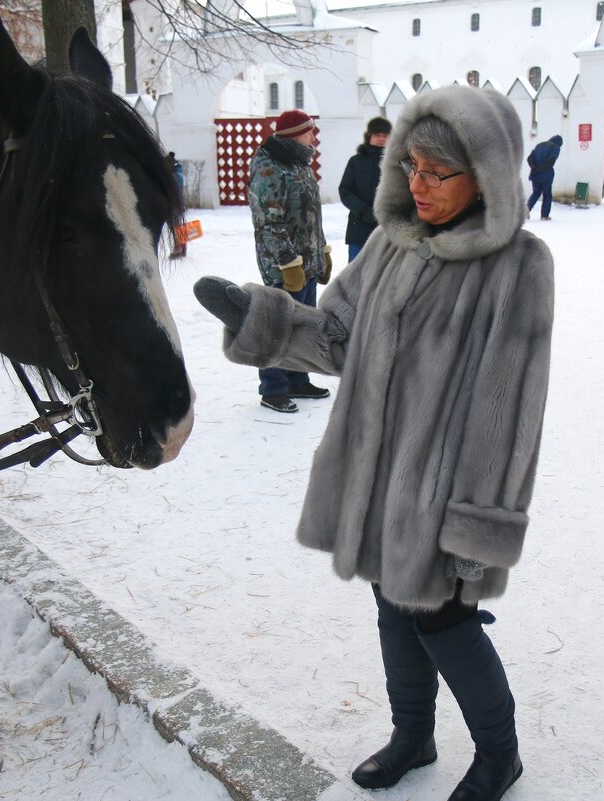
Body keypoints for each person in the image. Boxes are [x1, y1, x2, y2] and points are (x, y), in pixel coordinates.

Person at [194, 85, 554, 801]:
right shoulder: (392, 243)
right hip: (376, 476)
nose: (414, 183)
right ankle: (412, 735)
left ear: (482, 174)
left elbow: (507, 411)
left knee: (445, 622)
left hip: (445, 490)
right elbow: (334, 339)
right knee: (393, 610)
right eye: (409, 165)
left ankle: (498, 754)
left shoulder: (516, 266)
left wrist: (472, 529)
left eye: (434, 172)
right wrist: (262, 318)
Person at [246, 108, 332, 413]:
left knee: (304, 325)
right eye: (309, 130)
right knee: (278, 326)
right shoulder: (269, 168)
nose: (314, 136)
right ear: (296, 133)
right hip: (283, 267)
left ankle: (297, 379)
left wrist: (320, 250)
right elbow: (269, 222)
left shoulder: (300, 164)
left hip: (305, 262)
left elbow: (311, 214)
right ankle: (272, 388)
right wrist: (287, 262)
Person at [339, 116, 392, 262]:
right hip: (359, 228)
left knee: (384, 276)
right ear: (369, 136)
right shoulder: (356, 162)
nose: (381, 139)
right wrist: (363, 210)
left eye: (385, 136)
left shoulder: (395, 163)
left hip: (386, 228)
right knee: (356, 274)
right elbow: (345, 190)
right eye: (377, 135)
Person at [526, 134, 562, 220]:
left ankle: (526, 208)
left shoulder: (539, 145)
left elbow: (529, 158)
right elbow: (551, 160)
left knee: (536, 192)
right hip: (546, 175)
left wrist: (534, 167)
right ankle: (544, 216)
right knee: (547, 195)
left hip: (535, 174)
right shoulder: (555, 147)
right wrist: (541, 169)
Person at [168, 152, 188, 258]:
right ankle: (182, 247)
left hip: (176, 205)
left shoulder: (174, 177)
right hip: (179, 204)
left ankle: (179, 247)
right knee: (179, 226)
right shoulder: (178, 174)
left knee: (177, 227)